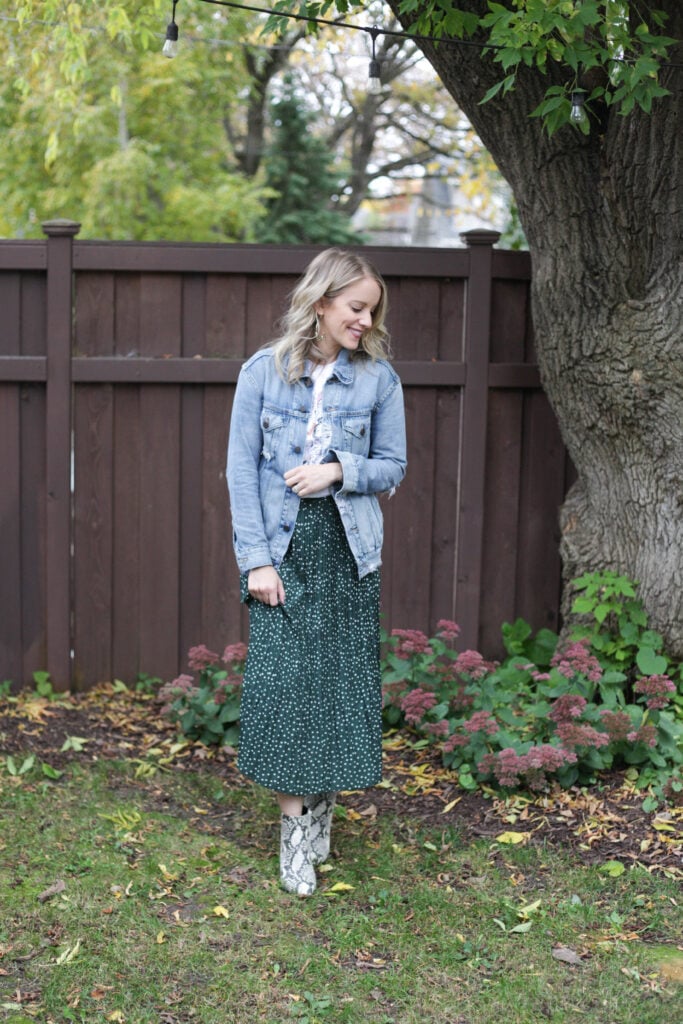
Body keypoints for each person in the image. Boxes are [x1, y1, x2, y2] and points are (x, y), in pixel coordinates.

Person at [226, 248, 406, 896]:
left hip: (348, 551)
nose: (364, 320)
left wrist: (337, 470)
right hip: (284, 547)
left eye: (370, 311)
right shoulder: (261, 374)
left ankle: (321, 812)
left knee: (335, 689)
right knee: (284, 693)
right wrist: (255, 561)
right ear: (322, 301)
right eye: (356, 307)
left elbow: (392, 465)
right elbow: (240, 473)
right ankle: (294, 839)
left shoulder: (377, 380)